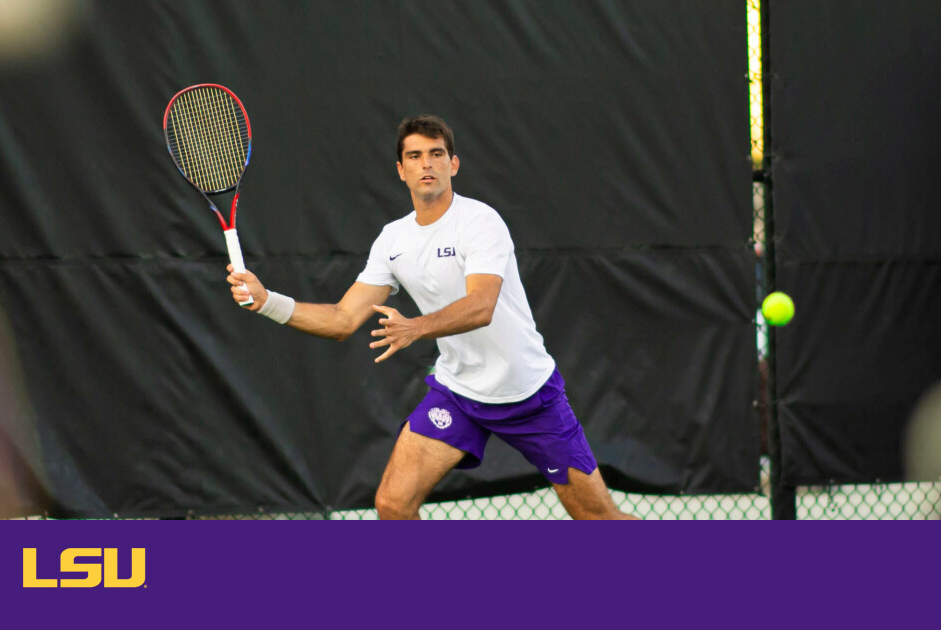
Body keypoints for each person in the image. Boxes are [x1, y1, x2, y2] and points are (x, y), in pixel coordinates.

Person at [227, 115, 635, 520]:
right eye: (415, 156)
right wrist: (267, 302)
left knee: (601, 520)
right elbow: (342, 319)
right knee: (393, 504)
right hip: (458, 393)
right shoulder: (393, 240)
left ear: (453, 164)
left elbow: (481, 305)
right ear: (401, 171)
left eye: (437, 154)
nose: (427, 164)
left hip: (528, 395)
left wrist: (415, 327)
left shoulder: (480, 221)